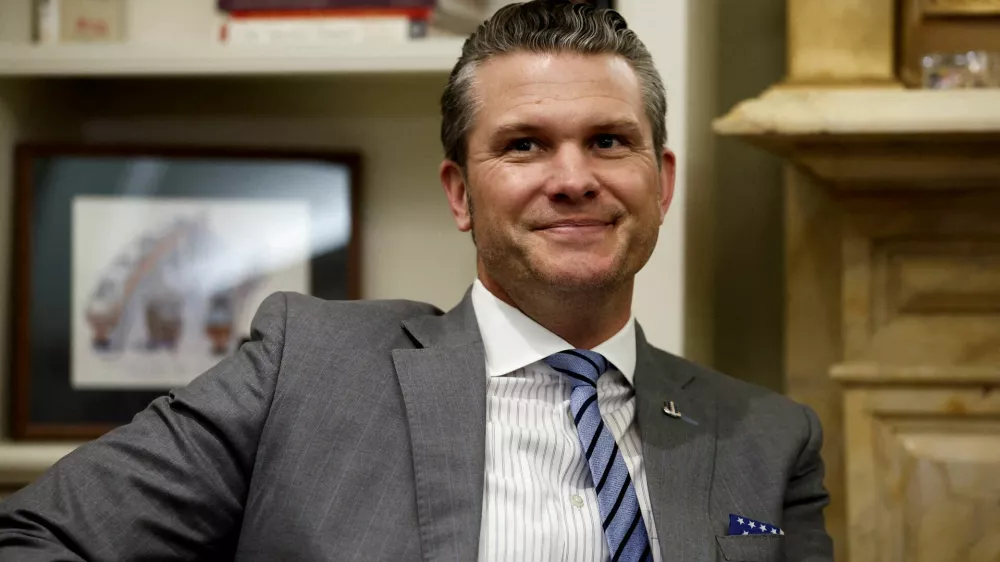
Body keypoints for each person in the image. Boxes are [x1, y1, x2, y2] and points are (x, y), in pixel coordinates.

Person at [0, 1, 834, 561]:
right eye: (524, 145)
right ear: (460, 194)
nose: (574, 177)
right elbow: (39, 536)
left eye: (610, 142)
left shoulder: (770, 439)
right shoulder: (305, 368)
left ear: (664, 181)